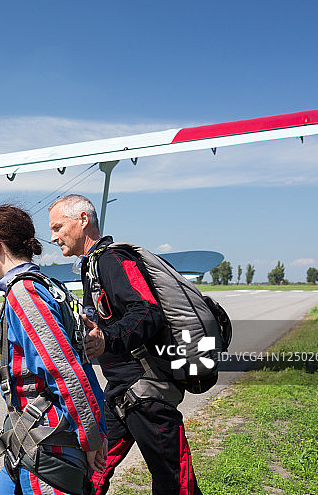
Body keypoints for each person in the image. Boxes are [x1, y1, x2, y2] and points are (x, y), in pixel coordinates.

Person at [48, 194, 202, 495]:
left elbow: (146, 312)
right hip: (120, 393)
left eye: (58, 227)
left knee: (175, 483)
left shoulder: (112, 259)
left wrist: (108, 338)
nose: (54, 236)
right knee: (90, 470)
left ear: (82, 220)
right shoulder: (92, 265)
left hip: (147, 393)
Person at [0, 204, 108, 495]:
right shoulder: (48, 286)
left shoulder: (25, 294)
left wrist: (91, 436)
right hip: (26, 438)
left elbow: (66, 370)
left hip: (48, 444)